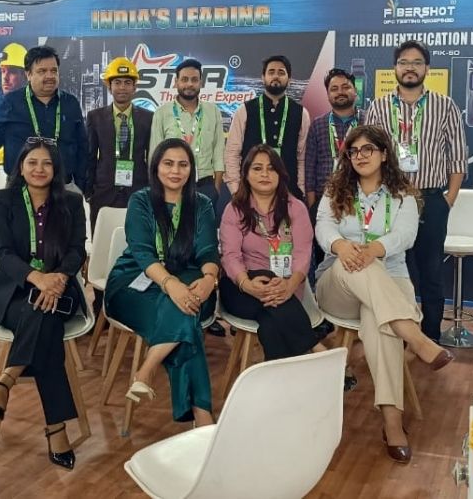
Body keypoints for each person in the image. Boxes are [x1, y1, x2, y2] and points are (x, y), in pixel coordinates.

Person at [314, 125, 453, 464]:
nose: (360, 156)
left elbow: (406, 235)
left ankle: (392, 423)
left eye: (368, 149)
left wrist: (374, 250)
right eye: (354, 151)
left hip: (389, 279)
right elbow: (323, 226)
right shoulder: (336, 190)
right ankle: (416, 338)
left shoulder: (403, 195)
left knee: (380, 322)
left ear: (384, 154)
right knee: (358, 267)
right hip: (338, 282)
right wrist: (341, 246)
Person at [0, 139, 86, 470]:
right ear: (21, 167)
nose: (39, 169)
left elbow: (76, 250)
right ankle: (56, 429)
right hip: (13, 288)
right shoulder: (3, 201)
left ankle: (5, 380)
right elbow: (1, 251)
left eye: (47, 163)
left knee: (44, 316)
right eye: (32, 162)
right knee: (46, 324)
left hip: (59, 286)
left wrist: (59, 279)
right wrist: (37, 278)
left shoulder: (71, 202)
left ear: (56, 169)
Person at [104, 139, 221, 427]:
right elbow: (142, 252)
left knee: (185, 306)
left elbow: (208, 251)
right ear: (156, 167)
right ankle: (202, 415)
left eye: (183, 165)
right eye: (168, 163)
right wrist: (171, 285)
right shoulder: (140, 200)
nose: (175, 171)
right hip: (134, 279)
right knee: (184, 314)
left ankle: (147, 369)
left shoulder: (202, 204)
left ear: (191, 169)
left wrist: (209, 279)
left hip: (190, 277)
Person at [364, 40, 468, 344]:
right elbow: (368, 153)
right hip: (390, 200)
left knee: (431, 272)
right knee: (394, 270)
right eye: (404, 62)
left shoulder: (445, 106)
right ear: (395, 68)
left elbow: (458, 157)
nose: (410, 68)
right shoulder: (378, 107)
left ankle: (430, 338)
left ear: (427, 68)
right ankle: (398, 335)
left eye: (417, 62)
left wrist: (448, 200)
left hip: (431, 199)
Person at [219, 144, 326, 360]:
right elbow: (230, 255)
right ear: (246, 174)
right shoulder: (235, 209)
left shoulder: (296, 208)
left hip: (287, 287)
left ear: (280, 174)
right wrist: (247, 284)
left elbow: (303, 252)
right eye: (257, 168)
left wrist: (290, 285)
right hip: (240, 288)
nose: (265, 174)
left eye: (271, 168)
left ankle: (278, 378)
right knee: (266, 278)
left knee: (270, 324)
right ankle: (317, 349)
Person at [85, 57, 152, 315]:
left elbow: (151, 157)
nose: (122, 87)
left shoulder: (148, 118)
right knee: (102, 246)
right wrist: (89, 191)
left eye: (127, 82)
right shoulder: (95, 117)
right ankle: (99, 302)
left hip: (138, 192)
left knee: (135, 246)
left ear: (135, 87)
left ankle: (128, 301)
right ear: (109, 86)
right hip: (103, 193)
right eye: (117, 82)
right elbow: (89, 157)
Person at [0, 45, 88, 191]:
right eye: (42, 71)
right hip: (19, 189)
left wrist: (80, 185)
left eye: (54, 71)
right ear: (28, 74)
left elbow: (83, 147)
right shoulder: (10, 103)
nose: (49, 76)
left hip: (63, 189)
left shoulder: (70, 103)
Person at [225, 55, 310, 199]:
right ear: (263, 77)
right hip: (250, 194)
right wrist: (236, 190)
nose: (276, 76)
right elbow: (232, 153)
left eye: (281, 72)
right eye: (271, 72)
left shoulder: (301, 113)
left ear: (289, 79)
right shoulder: (244, 110)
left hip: (288, 193)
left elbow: (302, 157)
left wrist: (300, 190)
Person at [149, 58, 225, 206]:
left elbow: (218, 152)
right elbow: (154, 155)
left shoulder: (213, 111)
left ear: (201, 83)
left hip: (205, 185)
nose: (189, 84)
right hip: (172, 184)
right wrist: (159, 189)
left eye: (194, 80)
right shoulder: (162, 113)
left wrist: (215, 188)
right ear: (176, 82)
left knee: (204, 222)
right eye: (184, 79)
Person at [305, 68, 363, 211]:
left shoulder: (367, 121)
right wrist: (312, 207)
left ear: (355, 91)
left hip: (360, 198)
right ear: (328, 95)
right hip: (324, 199)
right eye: (334, 89)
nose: (340, 92)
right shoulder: (318, 125)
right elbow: (310, 169)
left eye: (345, 87)